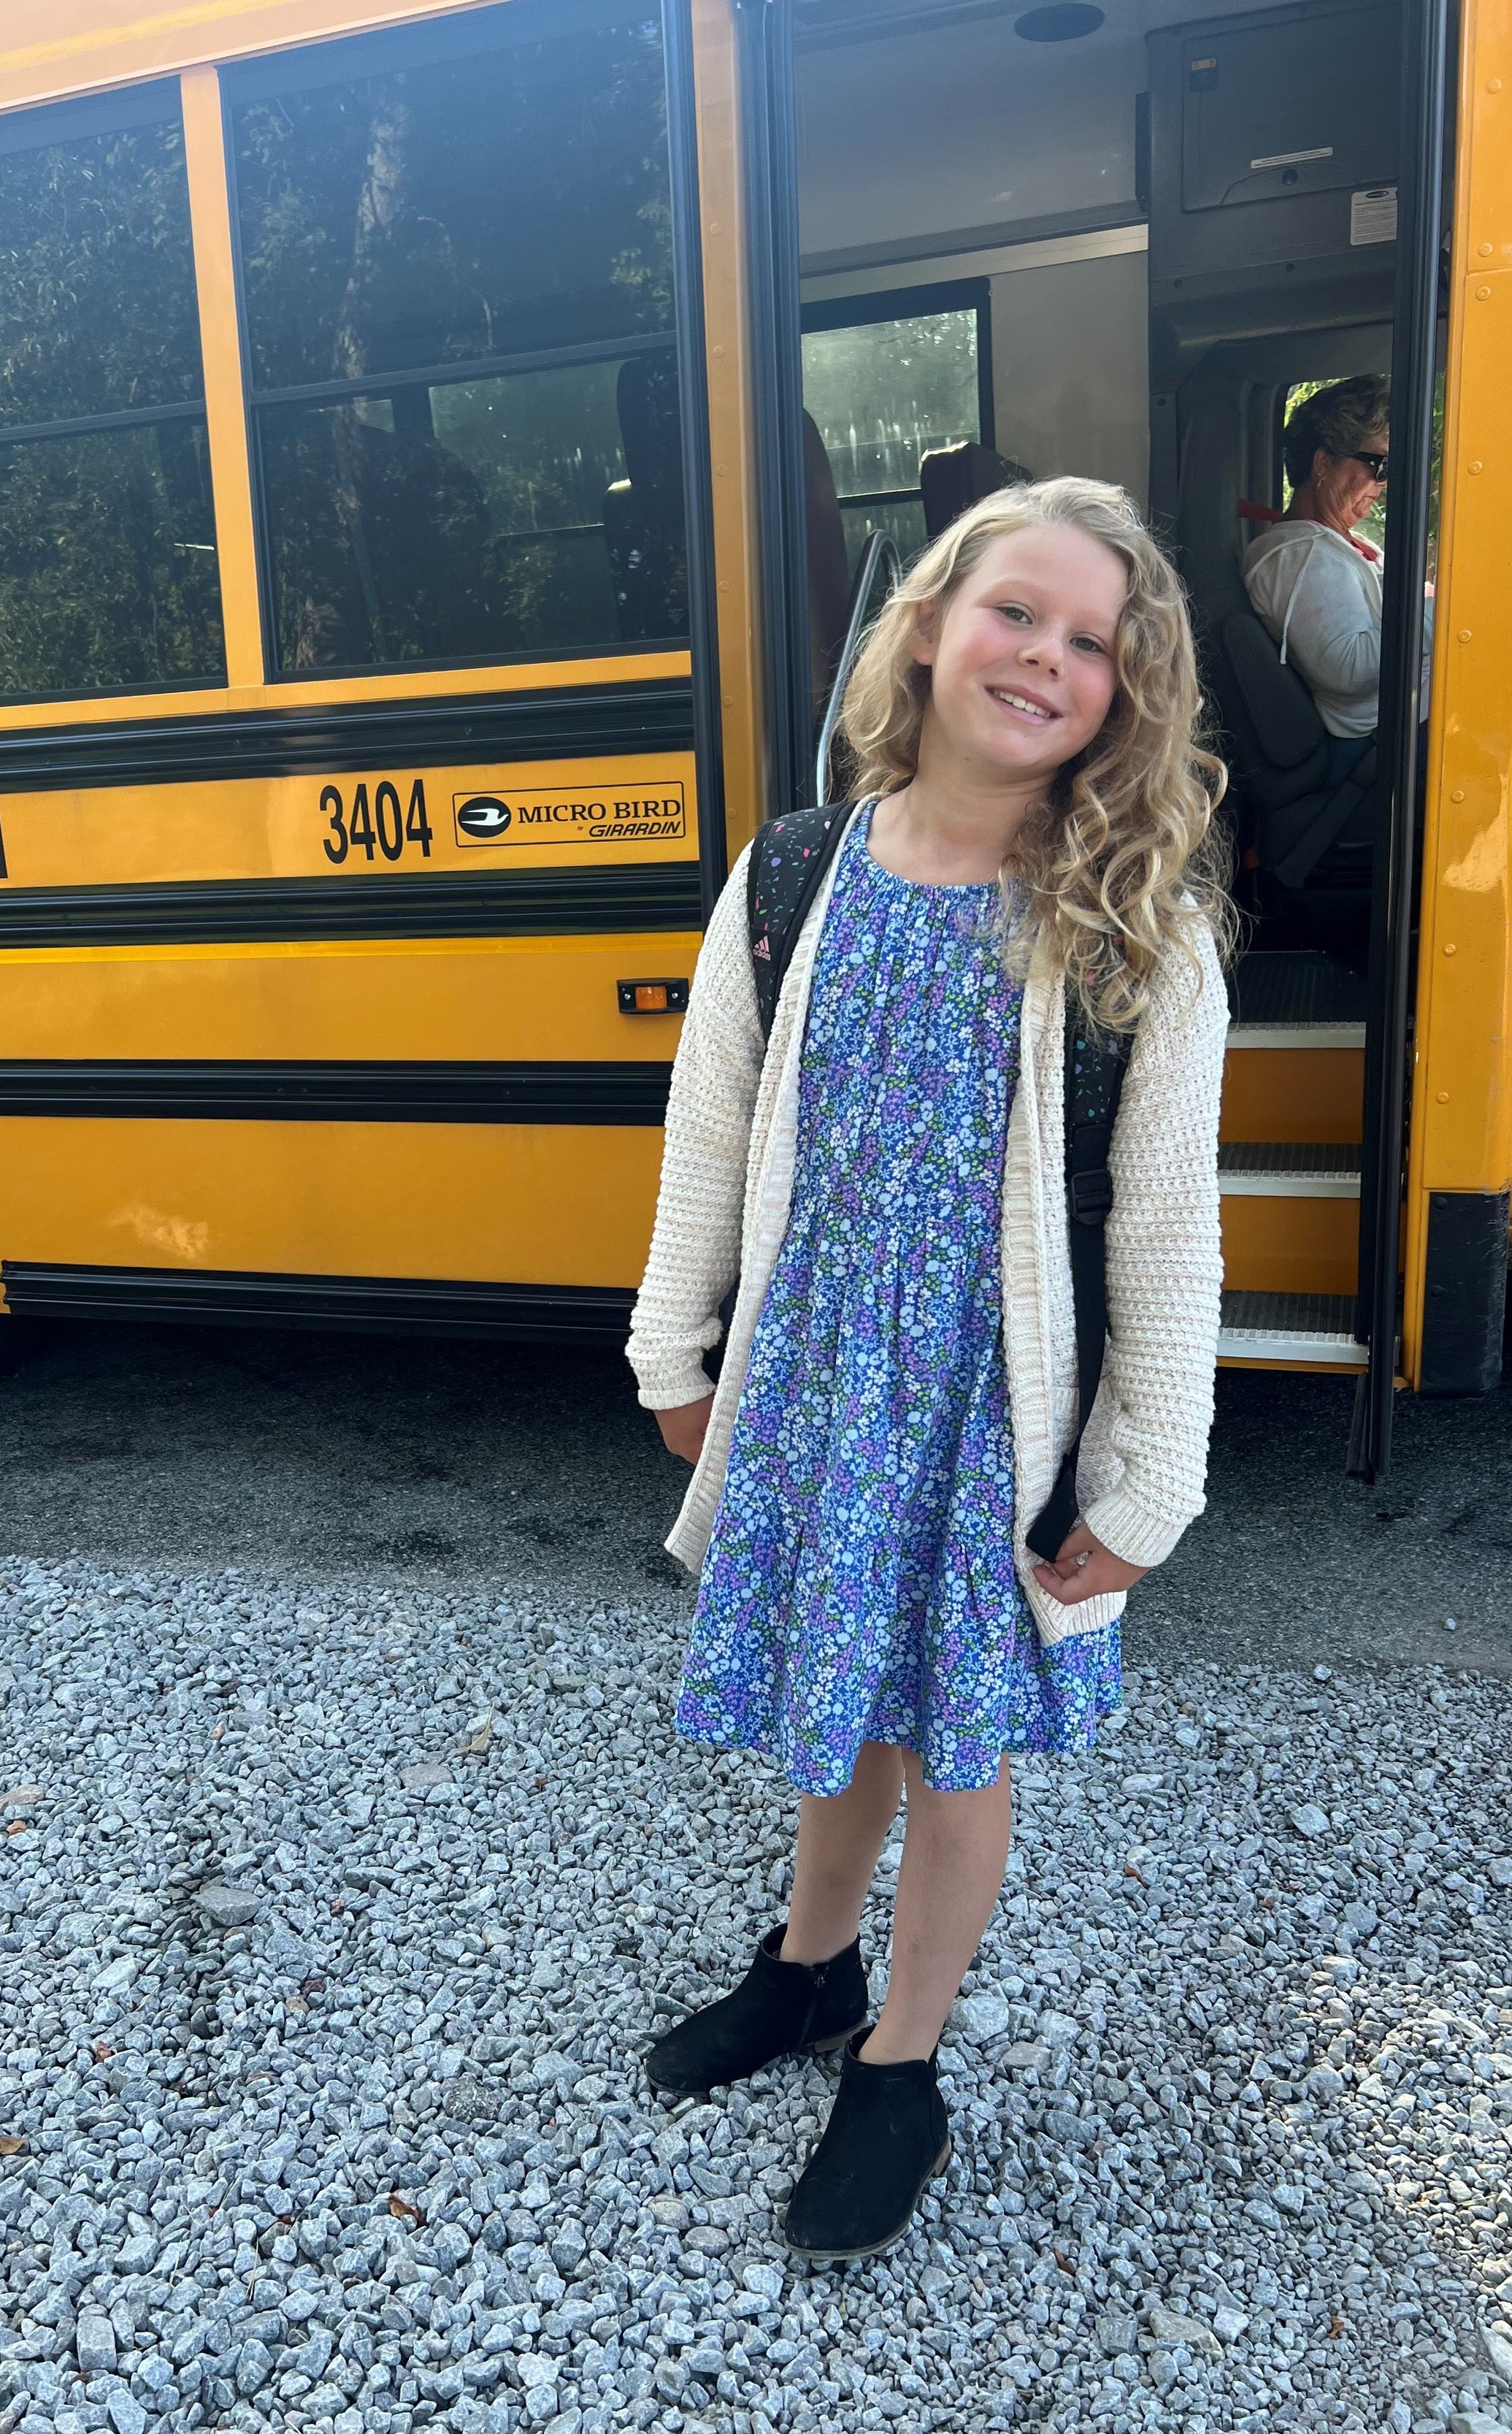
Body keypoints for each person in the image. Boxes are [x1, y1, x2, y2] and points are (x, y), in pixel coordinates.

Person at [625, 476, 1232, 2265]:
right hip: (817, 1386)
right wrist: (676, 1344)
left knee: (955, 1743)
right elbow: (711, 1137)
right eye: (1014, 612)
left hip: (989, 1417)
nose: (1045, 657)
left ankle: (902, 2059)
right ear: (928, 626)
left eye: (1092, 642)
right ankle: (809, 1971)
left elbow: (1168, 1234)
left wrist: (1150, 1484)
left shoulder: (1137, 926)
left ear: (1127, 692)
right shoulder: (799, 873)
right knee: (844, 1699)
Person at [1244, 375, 1419, 782]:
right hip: (1377, 751)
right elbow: (1348, 669)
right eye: (1379, 465)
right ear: (1324, 463)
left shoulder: (1328, 542)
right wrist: (1440, 615)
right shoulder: (1301, 557)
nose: (1385, 482)